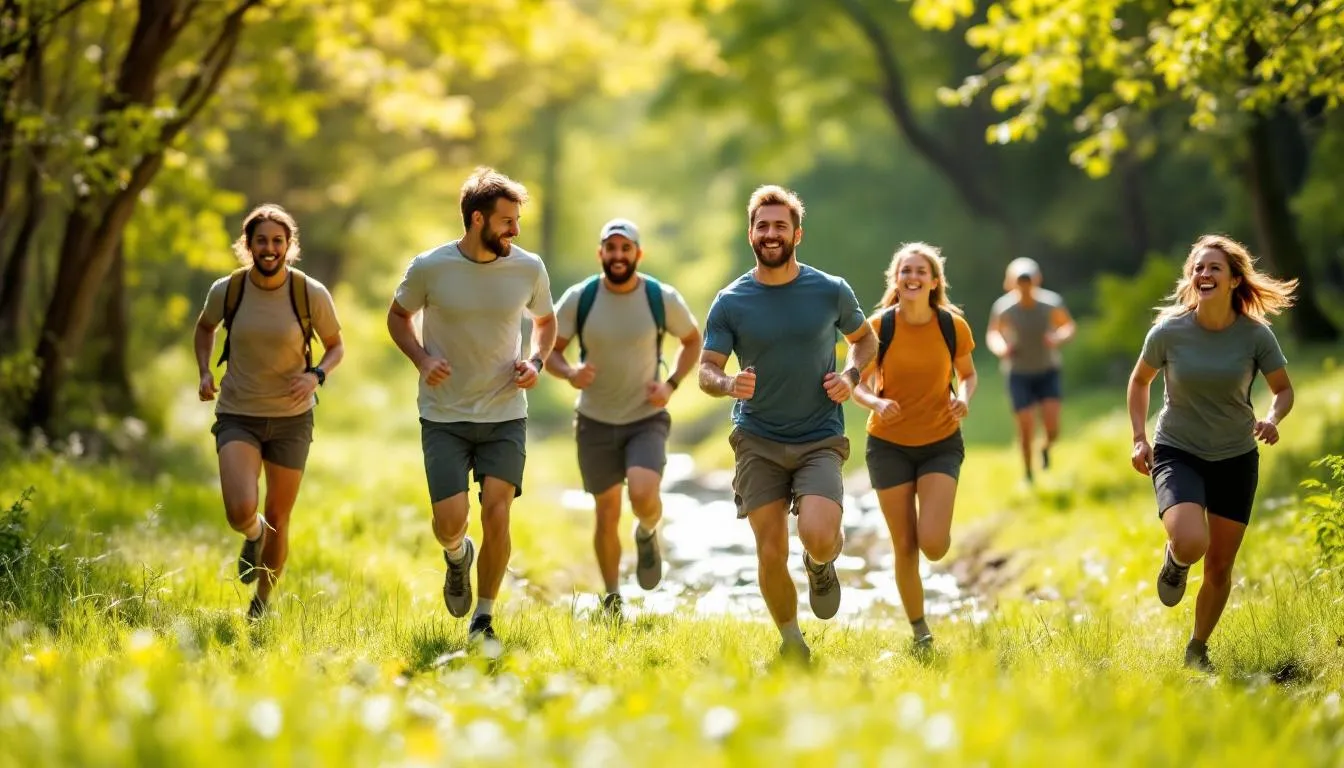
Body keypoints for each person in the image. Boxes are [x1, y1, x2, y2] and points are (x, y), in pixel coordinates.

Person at [699, 184, 875, 663]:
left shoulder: (829, 289)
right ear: (750, 233)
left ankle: (821, 565)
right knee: (770, 548)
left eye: (780, 226)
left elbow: (865, 339)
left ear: (797, 233)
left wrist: (851, 375)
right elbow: (706, 370)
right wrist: (728, 383)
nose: (771, 234)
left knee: (819, 534)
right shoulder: (731, 300)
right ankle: (792, 643)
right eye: (762, 226)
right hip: (757, 439)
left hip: (819, 435)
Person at [386, 167, 556, 649]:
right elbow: (398, 316)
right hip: (444, 415)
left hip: (506, 412)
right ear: (477, 219)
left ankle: (483, 617)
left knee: (497, 511)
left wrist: (536, 360)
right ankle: (457, 555)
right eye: (507, 221)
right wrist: (421, 358)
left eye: (517, 220)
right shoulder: (430, 267)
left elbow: (545, 321)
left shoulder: (528, 267)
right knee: (449, 523)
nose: (515, 230)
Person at [1126, 234, 1295, 672]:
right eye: (1198, 267)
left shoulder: (1255, 336)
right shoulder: (1169, 332)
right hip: (1178, 449)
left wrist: (1273, 419)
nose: (1204, 274)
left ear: (1235, 279)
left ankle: (1197, 649)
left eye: (1214, 268)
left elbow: (1283, 390)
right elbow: (1139, 381)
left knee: (1220, 567)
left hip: (1236, 456)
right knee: (1191, 541)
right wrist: (1139, 438)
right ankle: (1176, 559)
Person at [545, 218, 703, 617]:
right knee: (606, 512)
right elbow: (550, 350)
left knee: (644, 493)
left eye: (625, 248)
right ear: (601, 254)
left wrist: (670, 385)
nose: (617, 256)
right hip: (595, 419)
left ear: (638, 253)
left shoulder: (659, 297)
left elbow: (692, 340)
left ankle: (648, 531)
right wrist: (569, 373)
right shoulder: (580, 298)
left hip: (644, 417)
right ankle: (613, 596)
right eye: (610, 249)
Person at [194, 203, 344, 620]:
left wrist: (316, 376)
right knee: (240, 509)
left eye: (278, 240)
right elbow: (205, 327)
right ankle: (252, 534)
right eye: (261, 240)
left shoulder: (309, 293)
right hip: (238, 412)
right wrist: (205, 371)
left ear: (289, 246)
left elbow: (336, 346)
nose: (269, 247)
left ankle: (261, 603)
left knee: (280, 514)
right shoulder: (228, 290)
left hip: (292, 418)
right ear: (248, 244)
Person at [852, 243, 977, 650]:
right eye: (906, 270)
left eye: (921, 271)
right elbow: (856, 384)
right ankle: (920, 630)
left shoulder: (951, 326)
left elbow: (969, 375)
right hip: (887, 445)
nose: (913, 276)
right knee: (904, 544)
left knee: (933, 543)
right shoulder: (878, 327)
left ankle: (937, 533)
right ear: (896, 279)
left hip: (940, 441)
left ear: (934, 281)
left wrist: (964, 398)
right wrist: (876, 401)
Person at [986, 257, 1075, 482]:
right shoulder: (1004, 308)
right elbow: (993, 333)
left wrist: (1057, 337)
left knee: (1052, 425)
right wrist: (1001, 348)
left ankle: (1045, 447)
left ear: (1037, 280)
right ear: (1011, 282)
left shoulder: (1051, 303)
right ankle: (1028, 473)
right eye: (1020, 280)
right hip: (1018, 373)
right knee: (1025, 425)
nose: (1025, 285)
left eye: (1028, 279)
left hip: (1047, 370)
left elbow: (1068, 326)